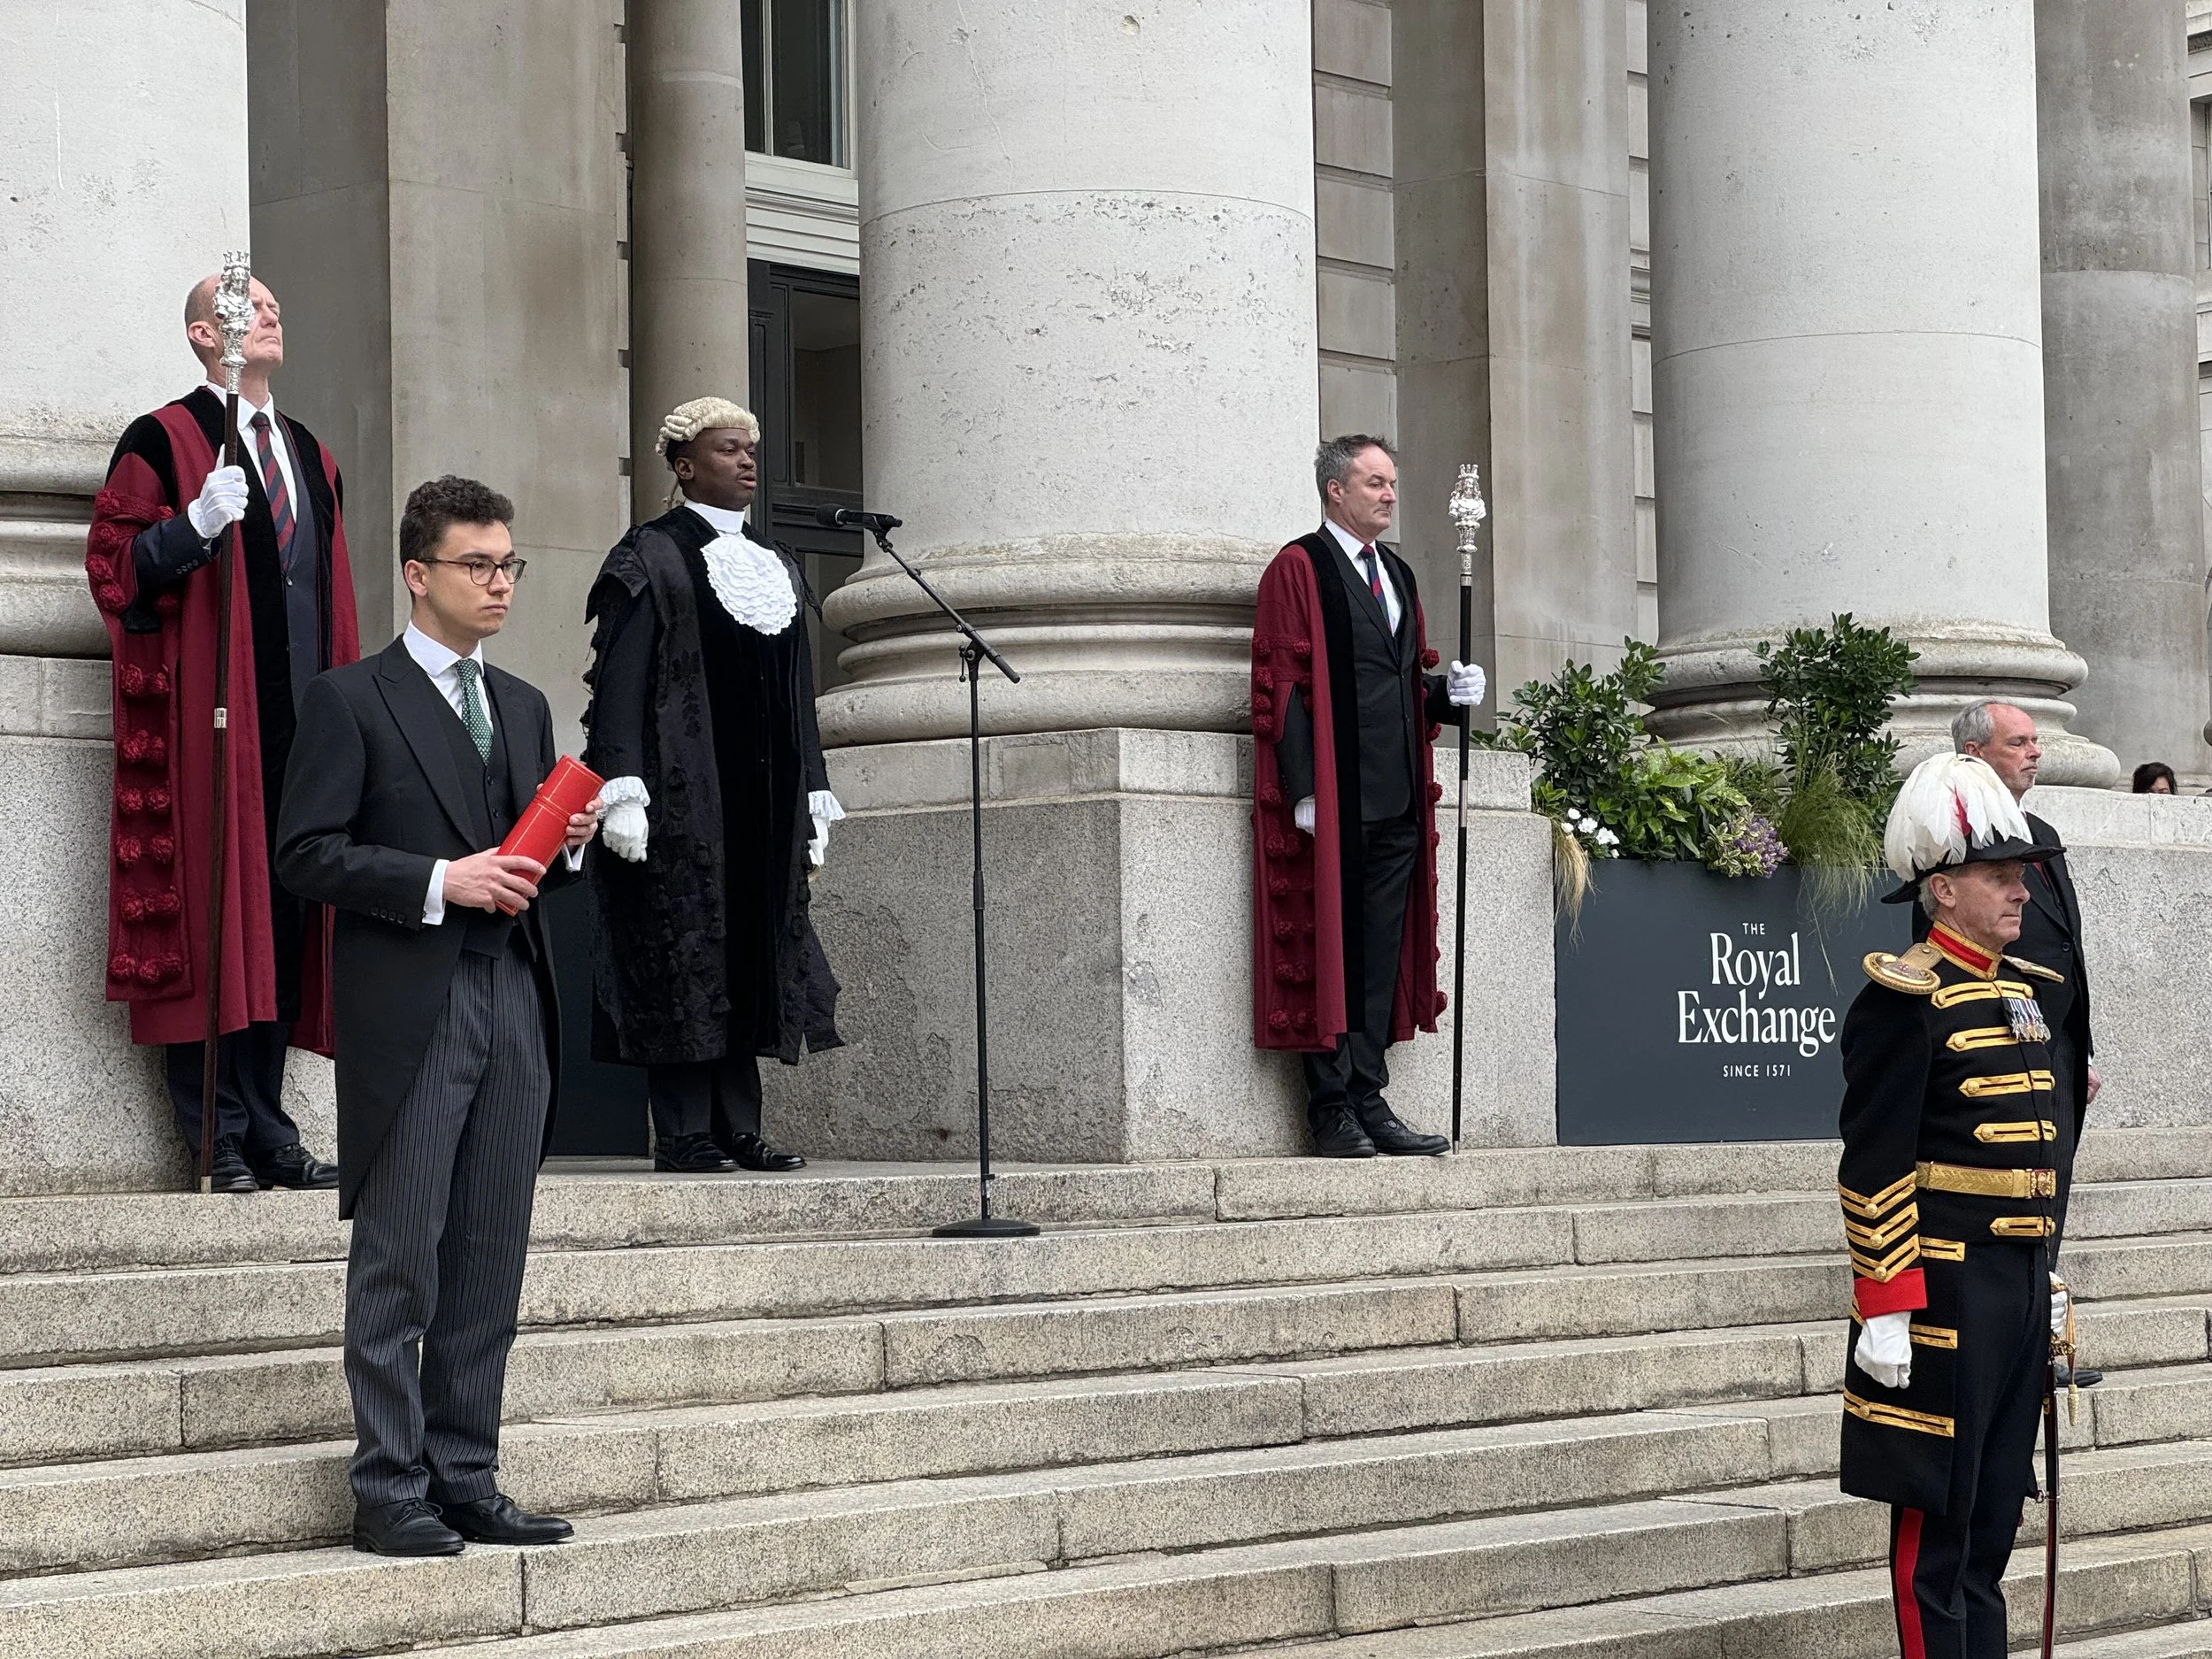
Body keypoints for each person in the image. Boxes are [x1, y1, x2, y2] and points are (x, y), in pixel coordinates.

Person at [275, 476, 597, 1557]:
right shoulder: (349, 700)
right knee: (401, 1255)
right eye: (478, 565)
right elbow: (305, 855)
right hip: (414, 1004)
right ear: (419, 575)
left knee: (489, 1256)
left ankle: (467, 1475)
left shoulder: (520, 704)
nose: (499, 582)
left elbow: (520, 863)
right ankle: (387, 1488)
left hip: (516, 997)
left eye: (509, 564)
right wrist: (434, 881)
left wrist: (570, 845)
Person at [83, 274, 357, 1192]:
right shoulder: (163, 438)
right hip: (216, 718)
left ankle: (273, 1125)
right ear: (205, 333)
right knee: (214, 913)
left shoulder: (311, 454)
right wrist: (191, 528)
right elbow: (116, 570)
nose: (269, 312)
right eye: (245, 307)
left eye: (276, 303)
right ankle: (219, 1133)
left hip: (304, 717)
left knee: (282, 916)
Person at [1840, 751, 2073, 1659]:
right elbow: (1873, 1168)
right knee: (1935, 1544)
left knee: (1988, 1537)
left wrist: (2043, 1273)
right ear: (1941, 892)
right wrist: (1887, 1307)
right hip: (1941, 1296)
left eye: (2019, 878)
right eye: (1999, 878)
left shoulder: (2021, 994)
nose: (2020, 894)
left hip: (2012, 1289)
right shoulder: (1903, 1002)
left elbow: (2036, 1159)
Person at [580, 397, 842, 1175]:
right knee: (684, 953)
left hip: (764, 805)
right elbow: (620, 678)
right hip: (682, 796)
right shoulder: (651, 556)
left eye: (753, 449)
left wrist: (815, 795)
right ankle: (686, 1131)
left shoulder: (779, 564)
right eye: (729, 450)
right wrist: (621, 783)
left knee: (752, 953)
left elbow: (800, 694)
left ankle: (739, 1126)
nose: (749, 461)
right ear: (686, 466)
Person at [1249, 435, 1486, 1157]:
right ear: (1335, 491)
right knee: (1333, 945)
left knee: (1379, 948)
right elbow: (1283, 687)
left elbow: (1401, 686)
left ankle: (1369, 1094)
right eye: (1375, 482)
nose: (1389, 494)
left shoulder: (1399, 574)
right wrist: (1303, 791)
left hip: (1398, 797)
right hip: (1336, 793)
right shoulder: (1300, 568)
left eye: (1391, 482)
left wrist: (1446, 695)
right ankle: (1330, 1107)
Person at [1938, 701, 2098, 1241]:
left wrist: (2080, 1048)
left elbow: (2065, 948)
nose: (2035, 752)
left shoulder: (2041, 831)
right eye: (2018, 743)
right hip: (1992, 1044)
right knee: (2010, 1212)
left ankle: (2039, 1316)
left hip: (2055, 1045)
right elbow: (1945, 946)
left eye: (2035, 740)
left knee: (2050, 1202)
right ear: (1973, 753)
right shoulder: (1951, 835)